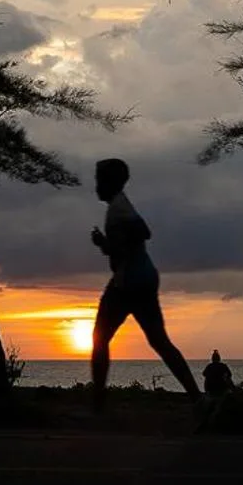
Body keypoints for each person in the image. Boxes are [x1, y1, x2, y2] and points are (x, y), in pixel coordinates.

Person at [88, 157, 201, 410]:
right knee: (159, 341)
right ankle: (197, 397)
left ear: (110, 182)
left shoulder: (119, 210)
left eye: (100, 180)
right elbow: (138, 236)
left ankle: (98, 406)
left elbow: (134, 239)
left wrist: (104, 244)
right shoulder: (121, 206)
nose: (96, 186)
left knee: (100, 338)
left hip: (129, 282)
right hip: (142, 279)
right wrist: (110, 244)